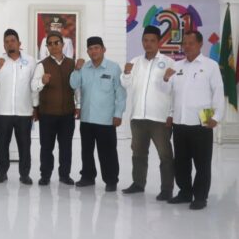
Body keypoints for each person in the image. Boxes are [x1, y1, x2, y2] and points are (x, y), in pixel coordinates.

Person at [166, 31, 224, 210]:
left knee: (202, 163)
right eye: (184, 43)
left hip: (202, 121)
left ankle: (200, 197)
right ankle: (185, 193)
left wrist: (216, 117)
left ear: (200, 45)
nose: (187, 46)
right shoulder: (176, 66)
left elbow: (218, 92)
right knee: (181, 162)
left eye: (191, 43)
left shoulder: (210, 65)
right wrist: (166, 78)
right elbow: (169, 92)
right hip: (180, 121)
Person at [120, 25, 175, 200]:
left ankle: (166, 189)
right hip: (138, 117)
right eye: (145, 40)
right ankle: (138, 184)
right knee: (138, 154)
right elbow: (126, 84)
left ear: (159, 42)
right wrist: (126, 72)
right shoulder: (135, 61)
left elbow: (174, 91)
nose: (148, 44)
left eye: (152, 40)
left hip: (160, 118)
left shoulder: (169, 62)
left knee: (165, 156)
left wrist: (171, 114)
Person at [70, 36, 126, 192]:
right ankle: (88, 177)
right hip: (87, 118)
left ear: (103, 49)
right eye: (90, 49)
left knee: (108, 152)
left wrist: (118, 114)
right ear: (87, 51)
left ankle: (111, 180)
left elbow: (120, 93)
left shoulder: (113, 68)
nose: (93, 51)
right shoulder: (84, 68)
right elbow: (73, 84)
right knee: (86, 151)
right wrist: (76, 69)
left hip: (106, 119)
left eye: (96, 48)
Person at [0, 29, 37, 185]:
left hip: (24, 112)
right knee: (2, 145)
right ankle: (1, 173)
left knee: (25, 145)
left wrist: (35, 106)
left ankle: (25, 174)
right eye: (7, 42)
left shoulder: (30, 61)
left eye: (13, 41)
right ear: (4, 45)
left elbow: (34, 85)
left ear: (19, 43)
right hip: (2, 112)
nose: (10, 44)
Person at [31, 31, 79, 186]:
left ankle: (65, 175)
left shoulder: (72, 64)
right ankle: (45, 175)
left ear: (62, 44)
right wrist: (42, 82)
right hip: (47, 114)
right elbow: (33, 87)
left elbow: (77, 87)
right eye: (50, 44)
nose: (53, 46)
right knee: (46, 147)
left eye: (56, 42)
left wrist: (78, 105)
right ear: (47, 47)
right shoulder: (42, 65)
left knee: (66, 147)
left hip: (67, 114)